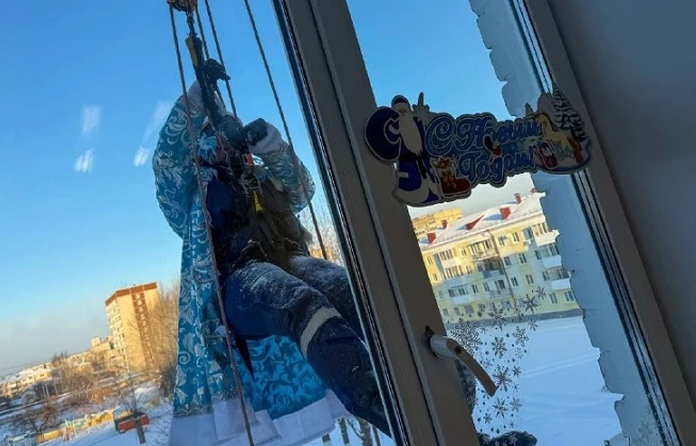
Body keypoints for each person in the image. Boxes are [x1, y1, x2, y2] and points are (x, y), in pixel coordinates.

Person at [154, 80, 537, 446]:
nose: (224, 145)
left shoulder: (260, 178)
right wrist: (196, 100)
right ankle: (414, 426)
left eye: (229, 137)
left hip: (289, 259)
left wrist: (272, 149)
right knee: (303, 306)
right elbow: (166, 163)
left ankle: (461, 427)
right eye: (213, 138)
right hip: (238, 285)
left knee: (361, 299)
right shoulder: (193, 193)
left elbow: (301, 189)